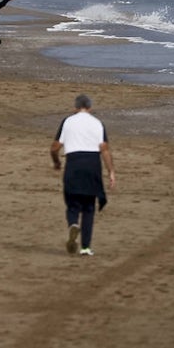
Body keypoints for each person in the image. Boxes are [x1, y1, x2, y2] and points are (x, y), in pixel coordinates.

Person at [50, 94, 115, 257]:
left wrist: (56, 162)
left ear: (75, 107)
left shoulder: (68, 121)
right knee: (89, 208)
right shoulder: (97, 123)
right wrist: (111, 171)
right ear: (90, 107)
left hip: (74, 162)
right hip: (92, 164)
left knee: (72, 204)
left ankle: (73, 224)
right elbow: (104, 149)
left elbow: (55, 147)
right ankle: (85, 247)